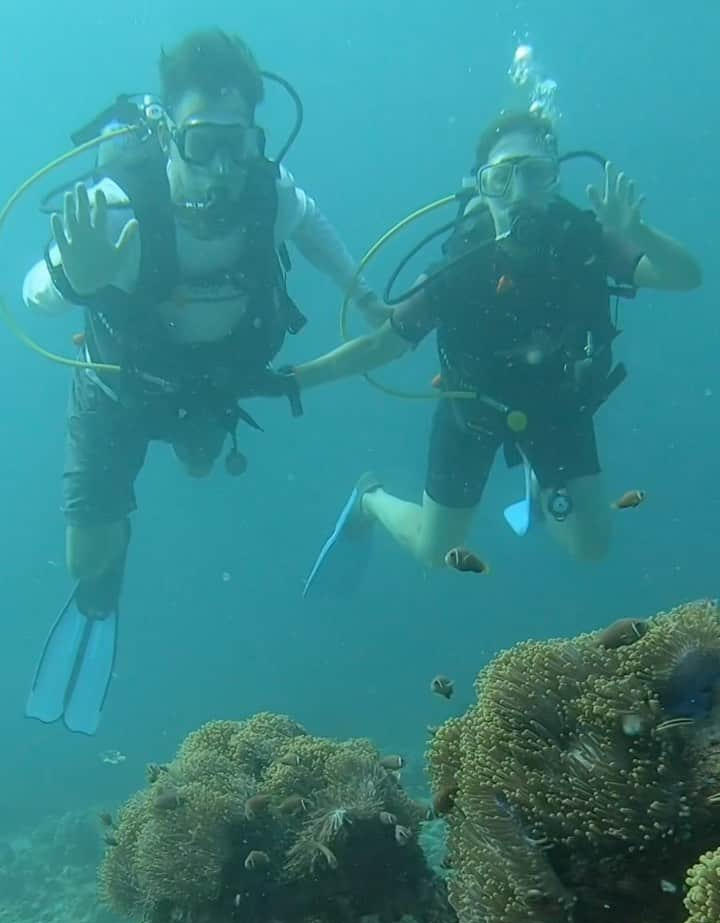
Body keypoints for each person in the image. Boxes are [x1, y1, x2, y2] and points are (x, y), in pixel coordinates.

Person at [23, 28, 386, 734]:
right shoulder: (118, 201)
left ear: (256, 136)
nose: (221, 168)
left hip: (215, 384)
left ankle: (174, 463)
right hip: (119, 390)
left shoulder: (268, 192)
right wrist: (77, 276)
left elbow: (309, 223)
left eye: (236, 143)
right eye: (200, 142)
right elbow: (36, 288)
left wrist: (366, 295)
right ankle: (108, 575)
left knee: (196, 463)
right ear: (165, 133)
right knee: (85, 557)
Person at [289, 110, 701, 589]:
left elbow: (685, 277)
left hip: (558, 407)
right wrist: (294, 379)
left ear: (555, 179)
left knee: (591, 548)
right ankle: (370, 498)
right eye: (502, 177)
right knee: (436, 553)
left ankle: (538, 479)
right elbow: (382, 347)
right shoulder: (460, 263)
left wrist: (641, 232)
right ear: (482, 188)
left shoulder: (584, 241)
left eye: (535, 173)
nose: (520, 191)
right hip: (473, 415)